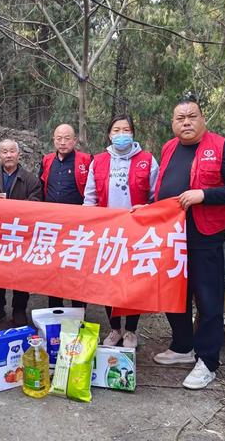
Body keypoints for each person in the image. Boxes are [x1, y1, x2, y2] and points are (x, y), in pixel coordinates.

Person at [152, 95, 225, 389]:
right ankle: (183, 347)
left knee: (208, 299)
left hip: (205, 235)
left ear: (202, 119)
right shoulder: (169, 148)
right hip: (171, 235)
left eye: (191, 116)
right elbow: (162, 189)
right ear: (173, 123)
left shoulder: (223, 147)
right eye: (180, 118)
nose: (186, 122)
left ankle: (207, 361)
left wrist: (204, 195)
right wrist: (147, 209)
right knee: (174, 292)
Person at [84, 114, 159, 348]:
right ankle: (115, 329)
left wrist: (148, 211)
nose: (121, 134)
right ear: (109, 134)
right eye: (116, 130)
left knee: (133, 282)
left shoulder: (147, 160)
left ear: (133, 133)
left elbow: (157, 196)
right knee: (110, 282)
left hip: (138, 232)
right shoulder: (99, 161)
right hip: (108, 233)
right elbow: (90, 197)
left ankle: (131, 331)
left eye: (126, 130)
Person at [0, 139, 42, 328]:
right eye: (4, 152)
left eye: (12, 151)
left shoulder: (31, 179)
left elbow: (37, 202)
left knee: (20, 272)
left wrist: (16, 208)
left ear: (18, 154)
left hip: (22, 235)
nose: (8, 155)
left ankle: (19, 309)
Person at [39, 123, 92, 308]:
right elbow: (41, 187)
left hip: (78, 227)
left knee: (76, 269)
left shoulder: (86, 160)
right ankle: (55, 309)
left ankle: (78, 312)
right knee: (54, 269)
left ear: (75, 140)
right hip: (52, 226)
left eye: (67, 138)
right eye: (58, 138)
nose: (62, 142)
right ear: (53, 140)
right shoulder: (47, 160)